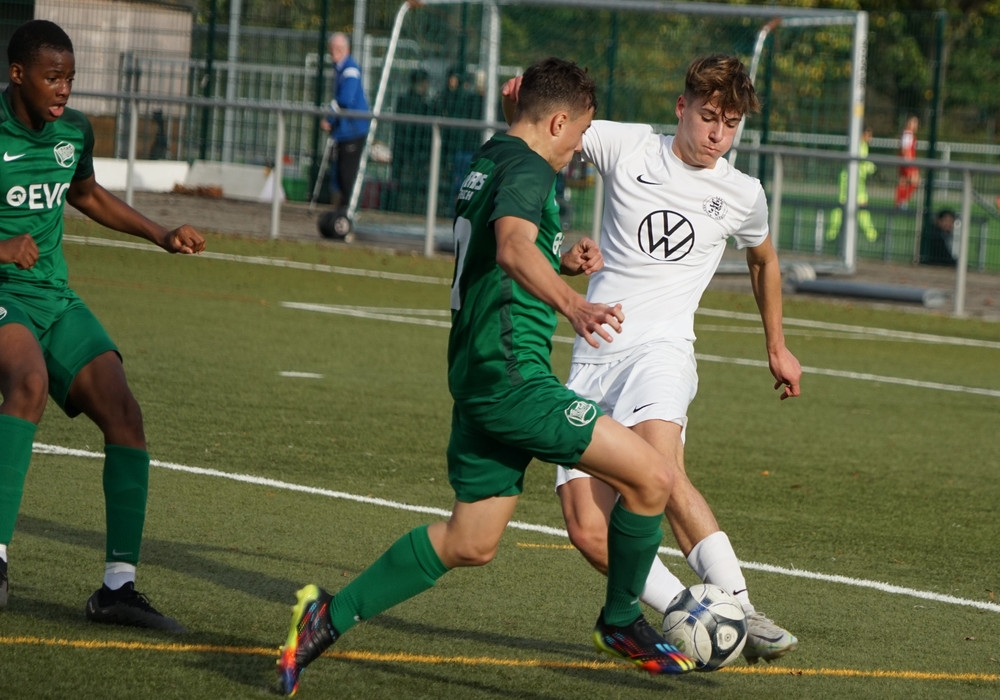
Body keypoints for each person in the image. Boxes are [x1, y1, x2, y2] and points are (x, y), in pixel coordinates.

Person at [277, 57, 699, 697]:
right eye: (579, 133)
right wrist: (574, 303)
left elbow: (508, 243)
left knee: (470, 540)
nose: (581, 147)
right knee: (654, 476)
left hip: (476, 377)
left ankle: (325, 617)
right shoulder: (531, 169)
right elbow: (508, 247)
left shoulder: (493, 156)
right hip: (512, 379)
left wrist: (561, 255)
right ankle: (619, 622)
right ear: (558, 122)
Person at [503, 53, 802, 666]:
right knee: (587, 527)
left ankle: (739, 609)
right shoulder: (629, 147)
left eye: (731, 122)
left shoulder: (742, 193)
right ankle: (686, 610)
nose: (717, 132)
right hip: (594, 353)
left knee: (660, 468)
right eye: (708, 116)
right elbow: (549, 132)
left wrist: (776, 344)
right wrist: (518, 107)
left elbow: (763, 259)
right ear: (681, 108)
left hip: (663, 351)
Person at [0, 19, 205, 630]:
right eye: (51, 77)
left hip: (54, 298)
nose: (63, 89)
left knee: (125, 413)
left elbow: (85, 194)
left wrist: (160, 233)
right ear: (17, 75)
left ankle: (118, 588)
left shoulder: (73, 132)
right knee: (28, 383)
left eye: (69, 78)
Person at [320, 32, 370, 210]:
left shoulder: (350, 69)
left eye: (339, 48)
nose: (335, 52)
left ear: (347, 49)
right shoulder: (340, 68)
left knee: (347, 174)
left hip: (353, 129)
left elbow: (345, 99)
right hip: (345, 130)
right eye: (333, 48)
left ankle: (348, 211)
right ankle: (342, 211)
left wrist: (330, 119)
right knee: (340, 174)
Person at [391, 68, 432, 214]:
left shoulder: (420, 102)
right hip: (409, 147)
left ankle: (404, 206)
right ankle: (403, 207)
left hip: (412, 148)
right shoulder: (415, 102)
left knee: (408, 179)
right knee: (405, 179)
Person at [827, 126, 877, 242]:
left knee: (845, 208)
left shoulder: (861, 146)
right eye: (869, 135)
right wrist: (873, 169)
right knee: (849, 208)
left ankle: (832, 234)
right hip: (851, 181)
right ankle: (871, 236)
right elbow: (862, 163)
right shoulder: (859, 146)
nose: (871, 138)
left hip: (856, 181)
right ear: (862, 134)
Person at [894, 115, 919, 209]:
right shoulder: (908, 133)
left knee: (903, 182)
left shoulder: (908, 133)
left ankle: (900, 202)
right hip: (907, 162)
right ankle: (902, 201)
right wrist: (908, 161)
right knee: (914, 181)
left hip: (905, 162)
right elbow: (905, 149)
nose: (916, 125)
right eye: (915, 123)